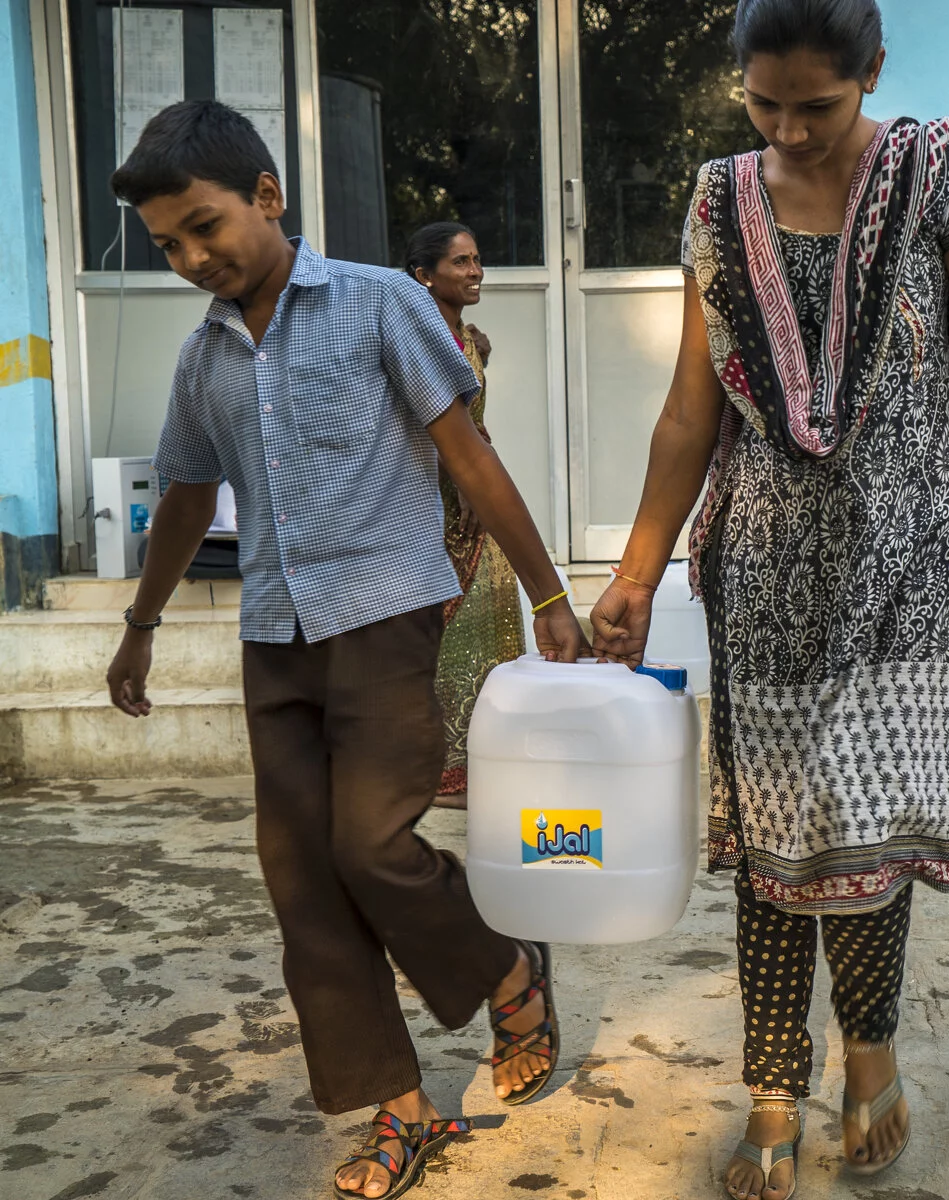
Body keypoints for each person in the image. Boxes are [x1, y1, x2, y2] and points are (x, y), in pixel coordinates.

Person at [587, 2, 949, 1196]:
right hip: (774, 572)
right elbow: (693, 406)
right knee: (777, 844)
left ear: (872, 75)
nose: (788, 130)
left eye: (817, 107)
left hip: (919, 565)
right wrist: (634, 570)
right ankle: (775, 1084)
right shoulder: (715, 199)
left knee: (872, 833)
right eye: (763, 103)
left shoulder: (936, 168)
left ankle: (872, 1051)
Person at [103, 101, 584, 1200]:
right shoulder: (202, 360)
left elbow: (466, 455)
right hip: (275, 637)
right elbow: (185, 497)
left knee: (371, 847)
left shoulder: (380, 304)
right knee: (302, 882)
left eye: (204, 226)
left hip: (386, 618)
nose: (190, 257)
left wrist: (552, 589)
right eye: (168, 244)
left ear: (269, 197)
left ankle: (507, 971)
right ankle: (400, 1112)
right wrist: (141, 625)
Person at [404, 222, 526, 802]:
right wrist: (471, 492)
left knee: (495, 627)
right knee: (454, 637)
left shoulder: (464, 338)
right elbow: (434, 430)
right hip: (445, 507)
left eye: (477, 259)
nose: (475, 271)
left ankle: (490, 757)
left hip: (480, 501)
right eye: (459, 263)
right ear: (424, 276)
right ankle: (445, 769)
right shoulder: (418, 339)